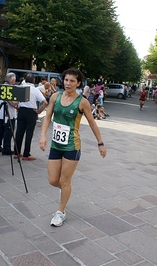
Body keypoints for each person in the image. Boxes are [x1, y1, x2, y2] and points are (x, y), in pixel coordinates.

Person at [39, 68, 106, 227]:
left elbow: (92, 122)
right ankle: (65, 188)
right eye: (66, 80)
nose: (68, 83)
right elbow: (47, 117)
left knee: (64, 179)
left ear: (78, 83)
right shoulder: (56, 96)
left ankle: (60, 212)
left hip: (72, 145)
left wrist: (100, 143)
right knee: (53, 180)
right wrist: (43, 136)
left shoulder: (82, 102)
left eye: (72, 81)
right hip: (56, 144)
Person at [14, 73, 47, 160]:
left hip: (21, 110)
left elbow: (14, 100)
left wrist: (17, 107)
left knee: (19, 132)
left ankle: (16, 152)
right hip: (31, 112)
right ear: (33, 80)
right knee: (29, 133)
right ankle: (26, 154)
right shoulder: (35, 90)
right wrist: (39, 111)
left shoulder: (20, 87)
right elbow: (45, 102)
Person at [0, 72, 18, 155]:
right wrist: (16, 104)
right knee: (8, 132)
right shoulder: (10, 88)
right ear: (12, 80)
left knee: (0, 130)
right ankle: (6, 149)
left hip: (1, 113)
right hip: (9, 114)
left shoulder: (1, 86)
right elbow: (10, 101)